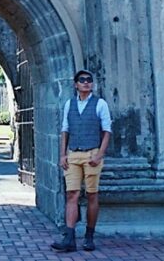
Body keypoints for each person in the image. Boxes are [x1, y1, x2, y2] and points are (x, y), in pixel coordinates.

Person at [51, 70, 111, 253]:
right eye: (82, 80)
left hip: (92, 153)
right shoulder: (70, 104)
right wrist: (62, 155)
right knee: (72, 194)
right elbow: (64, 130)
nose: (86, 83)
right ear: (76, 84)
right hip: (73, 154)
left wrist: (99, 154)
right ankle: (69, 237)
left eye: (89, 80)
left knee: (92, 195)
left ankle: (89, 236)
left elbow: (107, 131)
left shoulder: (100, 104)